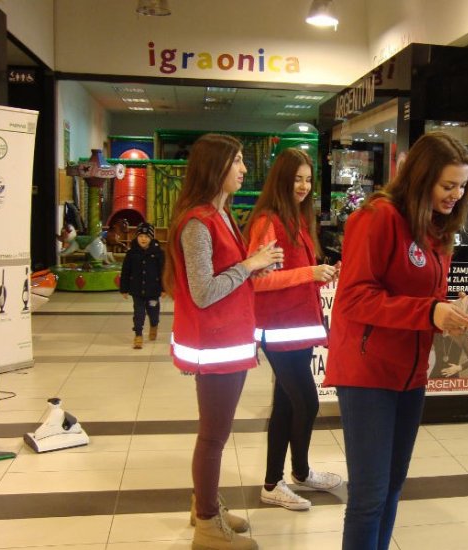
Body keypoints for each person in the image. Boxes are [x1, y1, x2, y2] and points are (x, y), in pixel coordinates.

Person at [323, 132, 468, 550]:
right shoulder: (378, 217)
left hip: (411, 374)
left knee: (393, 486)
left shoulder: (435, 228)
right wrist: (429, 313)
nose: (456, 194)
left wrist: (447, 311)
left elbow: (422, 297)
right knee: (369, 496)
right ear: (421, 176)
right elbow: (355, 297)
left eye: (462, 186)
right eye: (448, 185)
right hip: (368, 372)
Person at [163, 133, 284, 550]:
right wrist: (249, 265)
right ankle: (208, 524)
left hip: (228, 341)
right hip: (213, 346)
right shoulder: (197, 222)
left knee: (215, 434)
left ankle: (205, 504)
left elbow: (226, 276)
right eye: (236, 161)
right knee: (213, 437)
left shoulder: (222, 215)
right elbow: (203, 291)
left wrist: (254, 269)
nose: (244, 169)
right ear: (215, 167)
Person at [243, 148, 342, 511]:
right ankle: (291, 474)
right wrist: (310, 274)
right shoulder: (269, 221)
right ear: (281, 179)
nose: (303, 186)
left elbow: (294, 277)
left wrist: (322, 276)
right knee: (306, 402)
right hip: (279, 329)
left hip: (298, 327)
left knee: (287, 404)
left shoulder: (298, 220)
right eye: (296, 178)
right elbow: (258, 280)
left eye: (307, 179)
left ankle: (285, 478)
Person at [119, 221, 165, 349]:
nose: (143, 239)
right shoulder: (131, 253)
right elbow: (125, 272)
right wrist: (124, 288)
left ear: (151, 238)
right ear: (136, 237)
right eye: (140, 236)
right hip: (137, 290)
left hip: (153, 291)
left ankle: (154, 325)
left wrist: (164, 288)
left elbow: (163, 272)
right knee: (139, 313)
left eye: (146, 236)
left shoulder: (158, 253)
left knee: (153, 312)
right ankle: (138, 335)